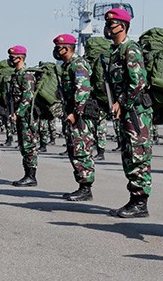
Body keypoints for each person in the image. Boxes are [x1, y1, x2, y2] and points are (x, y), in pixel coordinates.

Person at [104, 8, 153, 218]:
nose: (108, 27)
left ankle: (140, 202)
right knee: (128, 155)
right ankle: (134, 199)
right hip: (126, 111)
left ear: (122, 26)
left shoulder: (130, 49)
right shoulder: (115, 52)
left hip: (136, 112)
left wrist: (122, 102)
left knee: (138, 154)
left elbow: (138, 81)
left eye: (112, 24)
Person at [53, 34, 96, 201]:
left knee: (81, 150)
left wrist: (75, 113)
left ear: (67, 48)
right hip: (72, 113)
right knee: (74, 149)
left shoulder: (78, 65)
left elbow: (83, 90)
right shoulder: (67, 66)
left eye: (58, 47)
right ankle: (82, 184)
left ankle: (86, 188)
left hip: (80, 116)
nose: (56, 51)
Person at [7, 46, 40, 187]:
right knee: (23, 145)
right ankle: (27, 174)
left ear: (20, 58)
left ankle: (31, 177)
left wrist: (18, 113)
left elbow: (28, 96)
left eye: (12, 57)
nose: (10, 60)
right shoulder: (17, 74)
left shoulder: (26, 75)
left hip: (27, 116)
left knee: (29, 146)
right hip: (21, 115)